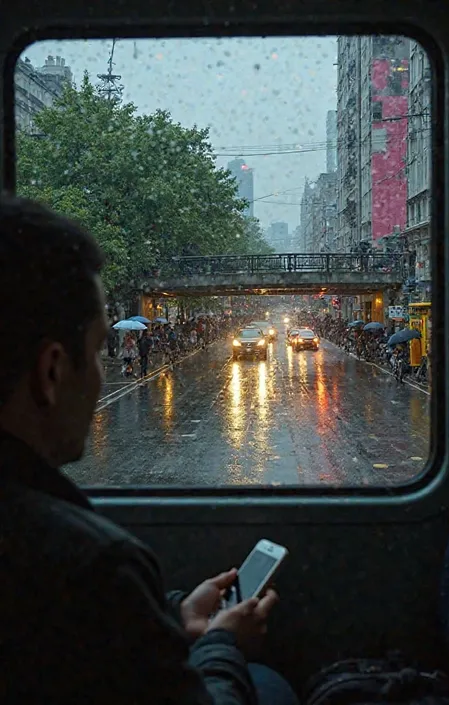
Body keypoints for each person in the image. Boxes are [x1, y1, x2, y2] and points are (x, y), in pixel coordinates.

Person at [0, 195, 298, 705]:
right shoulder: (91, 565)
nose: (100, 375)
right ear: (51, 372)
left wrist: (170, 614)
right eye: (97, 351)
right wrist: (224, 644)